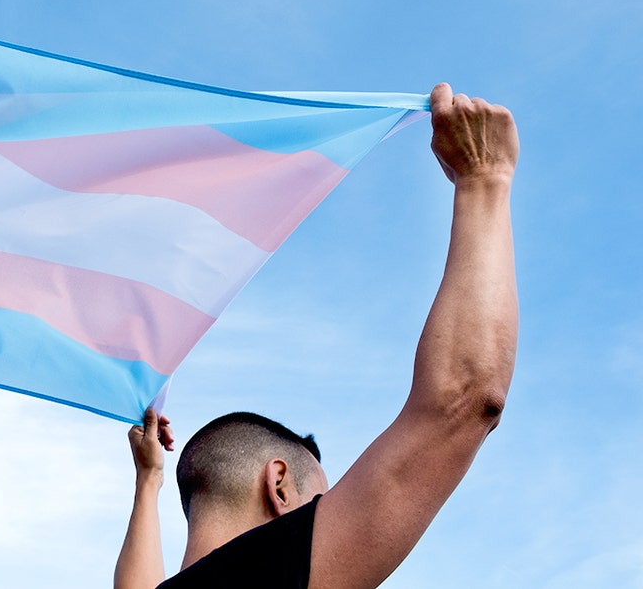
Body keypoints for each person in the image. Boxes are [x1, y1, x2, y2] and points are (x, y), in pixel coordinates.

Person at [114, 82, 519, 589]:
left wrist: (148, 481)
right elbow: (464, 399)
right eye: (320, 504)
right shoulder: (259, 575)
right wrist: (485, 178)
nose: (331, 517)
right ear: (278, 484)